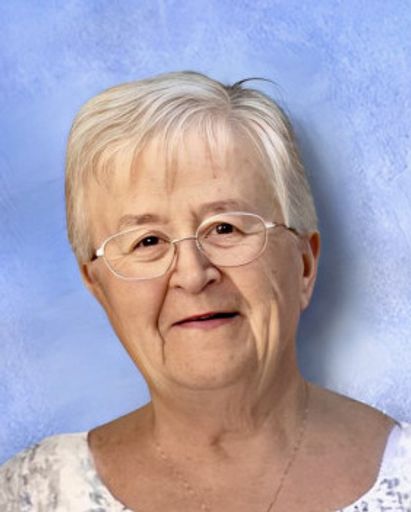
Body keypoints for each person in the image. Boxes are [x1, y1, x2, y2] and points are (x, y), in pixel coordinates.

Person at [0, 71, 410, 512]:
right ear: (99, 288)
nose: (193, 275)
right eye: (148, 241)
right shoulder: (32, 494)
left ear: (304, 265)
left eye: (225, 228)